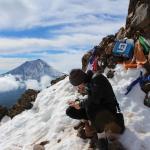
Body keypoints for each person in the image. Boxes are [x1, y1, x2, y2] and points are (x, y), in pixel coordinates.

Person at [66, 69, 125, 150]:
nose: (78, 88)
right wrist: (77, 102)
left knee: (90, 107)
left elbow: (94, 99)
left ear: (81, 81)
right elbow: (91, 98)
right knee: (70, 111)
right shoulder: (89, 81)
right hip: (98, 109)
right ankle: (90, 123)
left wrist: (80, 104)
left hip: (109, 111)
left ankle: (101, 137)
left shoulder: (97, 79)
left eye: (77, 85)